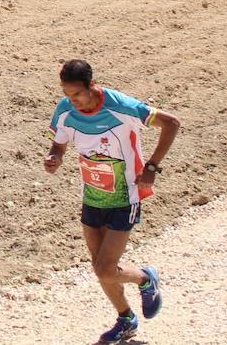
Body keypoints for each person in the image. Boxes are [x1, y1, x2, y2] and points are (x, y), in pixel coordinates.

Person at [44, 59, 180, 343]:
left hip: (124, 198)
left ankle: (145, 278)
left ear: (92, 85)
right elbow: (59, 142)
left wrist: (152, 168)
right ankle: (126, 319)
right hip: (91, 196)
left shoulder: (122, 106)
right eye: (68, 94)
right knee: (100, 268)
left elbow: (171, 123)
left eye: (78, 94)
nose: (73, 101)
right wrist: (55, 156)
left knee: (106, 268)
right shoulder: (65, 109)